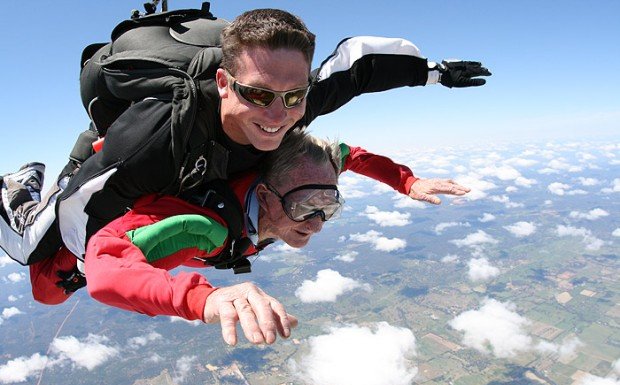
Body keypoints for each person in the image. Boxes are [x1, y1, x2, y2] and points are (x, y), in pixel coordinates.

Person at [0, 8, 485, 269]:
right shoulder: (159, 136)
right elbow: (74, 220)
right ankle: (18, 188)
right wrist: (103, 261)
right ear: (226, 85)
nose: (278, 115)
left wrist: (435, 75)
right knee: (36, 255)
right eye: (258, 94)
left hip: (184, 161)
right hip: (123, 140)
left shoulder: (293, 105)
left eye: (294, 96)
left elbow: (356, 67)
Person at [29, 129, 425, 346]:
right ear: (266, 196)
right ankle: (26, 192)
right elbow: (105, 267)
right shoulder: (200, 228)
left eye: (329, 206)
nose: (318, 223)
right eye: (306, 208)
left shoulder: (306, 168)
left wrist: (406, 182)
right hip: (90, 235)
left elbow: (348, 153)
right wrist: (206, 298)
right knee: (47, 291)